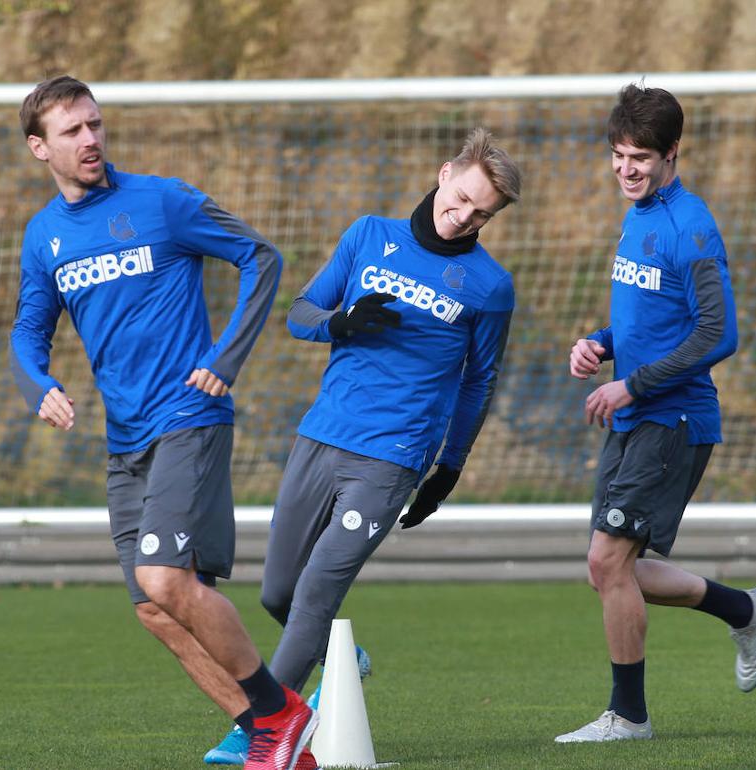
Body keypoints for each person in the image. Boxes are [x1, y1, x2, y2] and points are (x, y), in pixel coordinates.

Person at [9, 75, 316, 770]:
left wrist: (226, 357)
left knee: (163, 578)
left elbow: (261, 258)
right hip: (127, 442)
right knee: (155, 608)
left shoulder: (163, 202)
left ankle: (280, 714)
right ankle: (276, 740)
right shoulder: (44, 237)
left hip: (190, 416)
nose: (90, 139)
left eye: (94, 124)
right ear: (39, 148)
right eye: (71, 131)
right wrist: (40, 385)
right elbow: (29, 330)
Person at [206, 127, 521, 764]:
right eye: (459, 198)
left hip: (394, 456)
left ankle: (261, 734)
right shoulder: (369, 235)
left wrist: (448, 469)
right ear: (442, 174)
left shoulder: (489, 286)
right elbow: (299, 312)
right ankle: (339, 654)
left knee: (318, 590)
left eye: (480, 212)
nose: (462, 218)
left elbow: (478, 381)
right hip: (321, 435)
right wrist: (340, 323)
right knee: (277, 595)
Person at [556, 84, 756, 743]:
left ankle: (629, 716)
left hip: (673, 417)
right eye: (618, 155)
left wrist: (633, 384)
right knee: (614, 569)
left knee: (607, 562)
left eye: (641, 158)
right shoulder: (637, 216)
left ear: (672, 153)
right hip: (637, 414)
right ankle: (745, 608)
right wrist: (603, 342)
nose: (627, 169)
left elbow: (718, 333)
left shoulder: (691, 227)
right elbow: (652, 318)